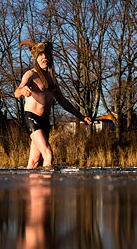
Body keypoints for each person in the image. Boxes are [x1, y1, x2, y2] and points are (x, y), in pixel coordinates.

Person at [14, 40, 92, 169]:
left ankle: (32, 188)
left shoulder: (52, 80)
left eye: (46, 55)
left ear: (50, 58)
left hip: (44, 122)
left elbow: (63, 102)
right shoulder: (31, 74)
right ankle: (46, 187)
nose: (44, 58)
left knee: (34, 162)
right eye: (41, 55)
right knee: (48, 154)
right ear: (36, 58)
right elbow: (17, 91)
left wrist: (81, 117)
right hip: (31, 118)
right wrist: (22, 91)